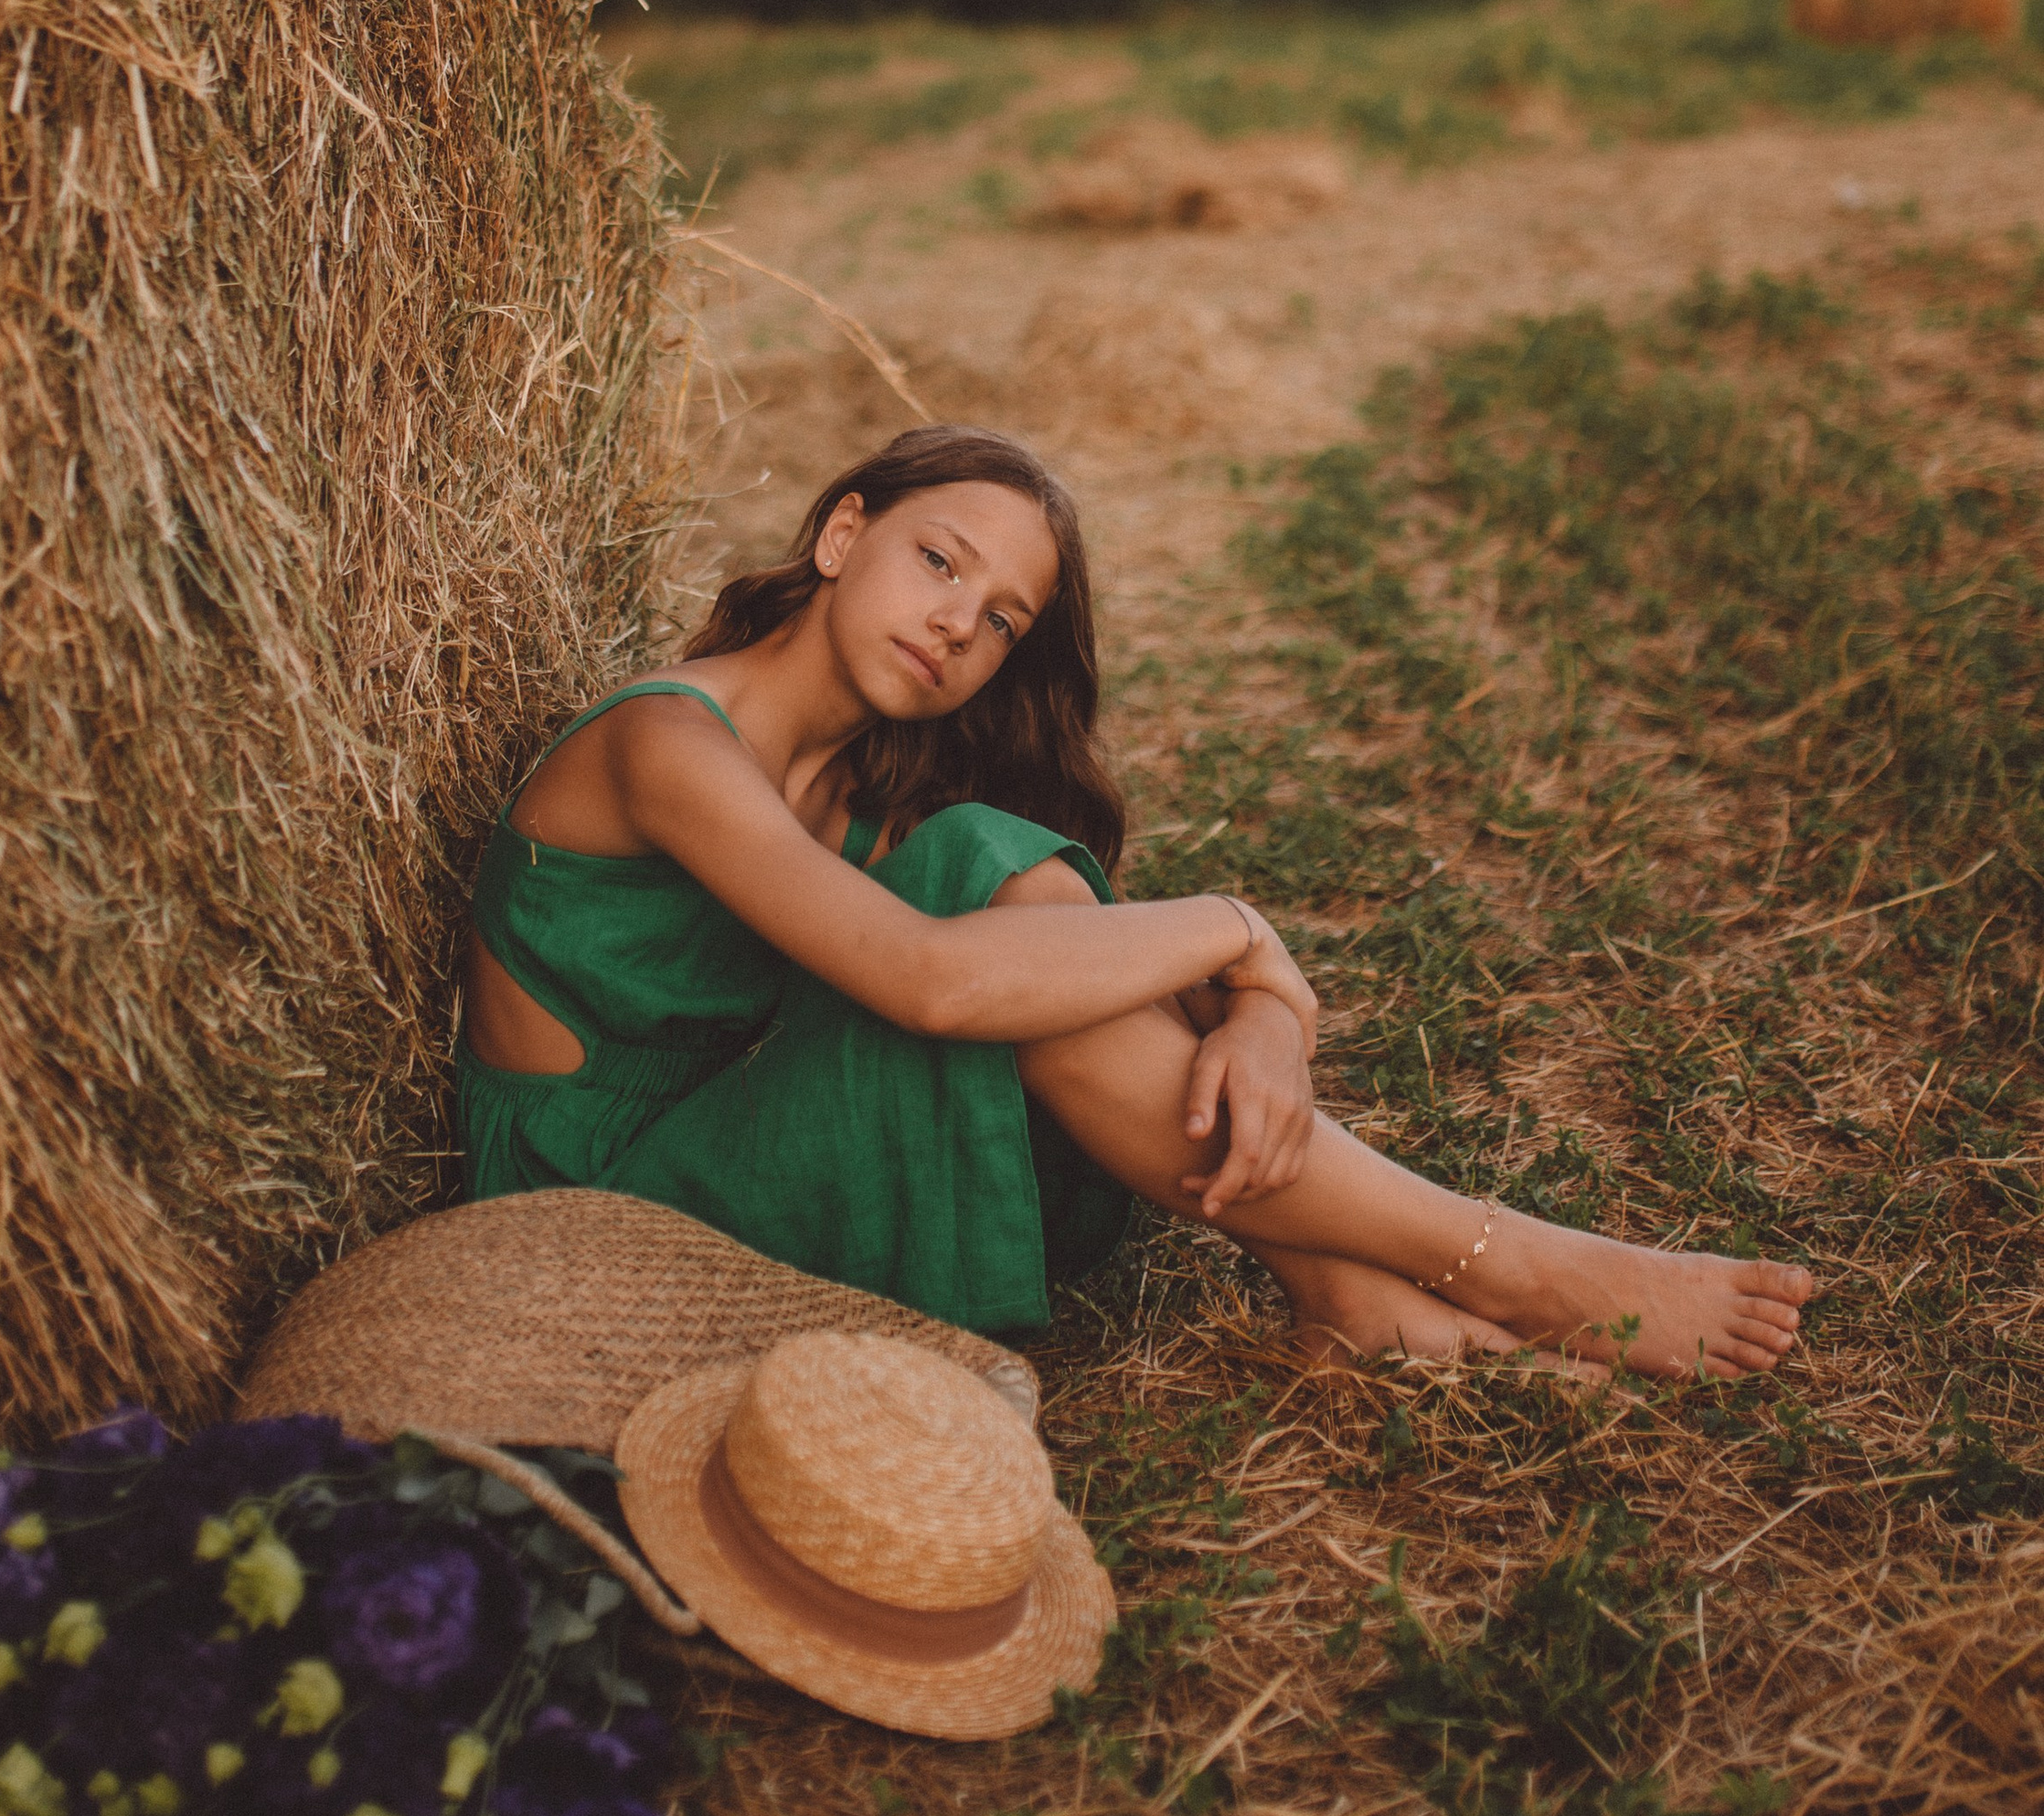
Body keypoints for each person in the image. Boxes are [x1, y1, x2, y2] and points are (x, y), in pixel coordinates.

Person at [459, 426, 1813, 1378]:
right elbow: (938, 984)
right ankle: (1508, 1263)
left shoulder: (865, 788)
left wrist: (1270, 1012)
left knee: (1001, 866)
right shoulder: (666, 744)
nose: (958, 623)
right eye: (940, 561)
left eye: (1001, 619)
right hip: (597, 1216)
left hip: (724, 1152)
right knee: (973, 900)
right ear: (841, 532)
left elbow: (1049, 953)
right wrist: (1241, 926)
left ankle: (1331, 1283)